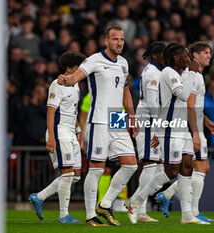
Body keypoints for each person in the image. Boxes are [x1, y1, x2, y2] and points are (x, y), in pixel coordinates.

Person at [58, 25, 138, 227]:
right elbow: (76, 77)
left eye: (121, 39)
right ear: (106, 41)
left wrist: (132, 116)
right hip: (99, 120)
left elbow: (125, 91)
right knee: (96, 169)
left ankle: (106, 204)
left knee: (131, 165)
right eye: (115, 39)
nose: (119, 42)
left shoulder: (123, 63)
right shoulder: (94, 60)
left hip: (117, 118)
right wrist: (66, 80)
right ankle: (90, 215)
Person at [127, 42, 205, 225]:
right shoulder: (169, 73)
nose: (189, 58)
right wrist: (193, 73)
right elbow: (184, 96)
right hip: (170, 129)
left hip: (182, 128)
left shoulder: (179, 73)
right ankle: (136, 200)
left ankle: (187, 215)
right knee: (171, 171)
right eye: (186, 55)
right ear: (176, 57)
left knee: (187, 168)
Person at [155, 42, 214, 223]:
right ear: (194, 56)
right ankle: (191, 211)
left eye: (210, 53)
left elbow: (194, 105)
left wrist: (206, 121)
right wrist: (196, 132)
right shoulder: (193, 77)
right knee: (194, 168)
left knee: (198, 168)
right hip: (189, 129)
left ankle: (171, 197)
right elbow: (188, 105)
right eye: (205, 52)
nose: (209, 56)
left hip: (195, 126)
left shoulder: (196, 76)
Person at [29, 51, 86, 223]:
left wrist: (79, 132)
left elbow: (73, 112)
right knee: (67, 174)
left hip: (71, 132)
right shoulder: (57, 84)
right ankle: (63, 215)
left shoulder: (75, 85)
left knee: (75, 176)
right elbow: (51, 112)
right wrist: (51, 137)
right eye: (79, 67)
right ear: (70, 67)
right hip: (59, 132)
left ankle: (39, 196)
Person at [131, 41, 166, 222]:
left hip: (155, 123)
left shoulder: (158, 72)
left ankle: (137, 203)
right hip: (148, 123)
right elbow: (152, 103)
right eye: (164, 54)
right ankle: (140, 208)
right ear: (155, 55)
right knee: (150, 164)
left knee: (160, 166)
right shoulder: (152, 73)